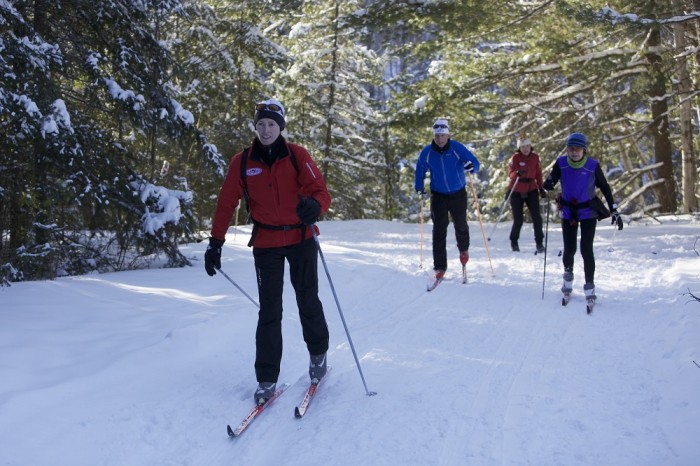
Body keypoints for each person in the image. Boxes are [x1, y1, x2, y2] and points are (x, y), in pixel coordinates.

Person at [204, 99, 331, 405]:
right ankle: (266, 378)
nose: (265, 129)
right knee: (269, 311)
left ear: (281, 126)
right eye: (261, 124)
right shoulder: (243, 161)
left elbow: (320, 192)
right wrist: (215, 242)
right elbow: (225, 202)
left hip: (300, 238)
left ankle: (318, 354)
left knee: (307, 299)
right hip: (266, 243)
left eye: (271, 124)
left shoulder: (297, 155)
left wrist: (315, 206)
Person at [542, 132, 623, 305]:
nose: (574, 152)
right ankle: (567, 281)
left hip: (588, 212)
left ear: (584, 150)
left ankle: (589, 287)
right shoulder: (561, 163)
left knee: (586, 250)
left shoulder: (592, 165)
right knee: (569, 249)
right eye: (571, 149)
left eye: (577, 149)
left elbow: (605, 187)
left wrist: (614, 210)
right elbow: (551, 180)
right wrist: (546, 185)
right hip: (568, 212)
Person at [414, 118, 481, 279]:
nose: (440, 139)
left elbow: (475, 163)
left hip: (458, 194)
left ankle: (463, 251)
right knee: (439, 230)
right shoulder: (428, 152)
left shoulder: (457, 148)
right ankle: (440, 267)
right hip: (438, 195)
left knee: (461, 225)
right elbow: (420, 170)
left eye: (442, 135)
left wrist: (471, 167)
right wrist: (419, 187)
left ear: (448, 134)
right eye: (437, 136)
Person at [507, 136, 546, 253]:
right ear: (519, 147)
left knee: (537, 218)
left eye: (527, 146)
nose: (525, 149)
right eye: (523, 147)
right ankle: (514, 241)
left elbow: (538, 174)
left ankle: (539, 243)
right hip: (517, 190)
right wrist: (516, 173)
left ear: (530, 146)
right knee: (518, 220)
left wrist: (541, 188)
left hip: (531, 189)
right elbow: (510, 173)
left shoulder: (535, 157)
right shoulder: (515, 157)